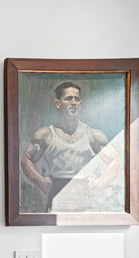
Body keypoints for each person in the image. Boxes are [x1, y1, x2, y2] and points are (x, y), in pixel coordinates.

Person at [21, 81, 122, 212]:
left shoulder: (93, 135)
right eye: (68, 98)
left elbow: (116, 162)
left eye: (77, 99)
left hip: (84, 202)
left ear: (80, 104)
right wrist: (40, 181)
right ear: (58, 103)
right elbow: (26, 159)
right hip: (56, 201)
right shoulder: (46, 135)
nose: (73, 102)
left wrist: (98, 184)